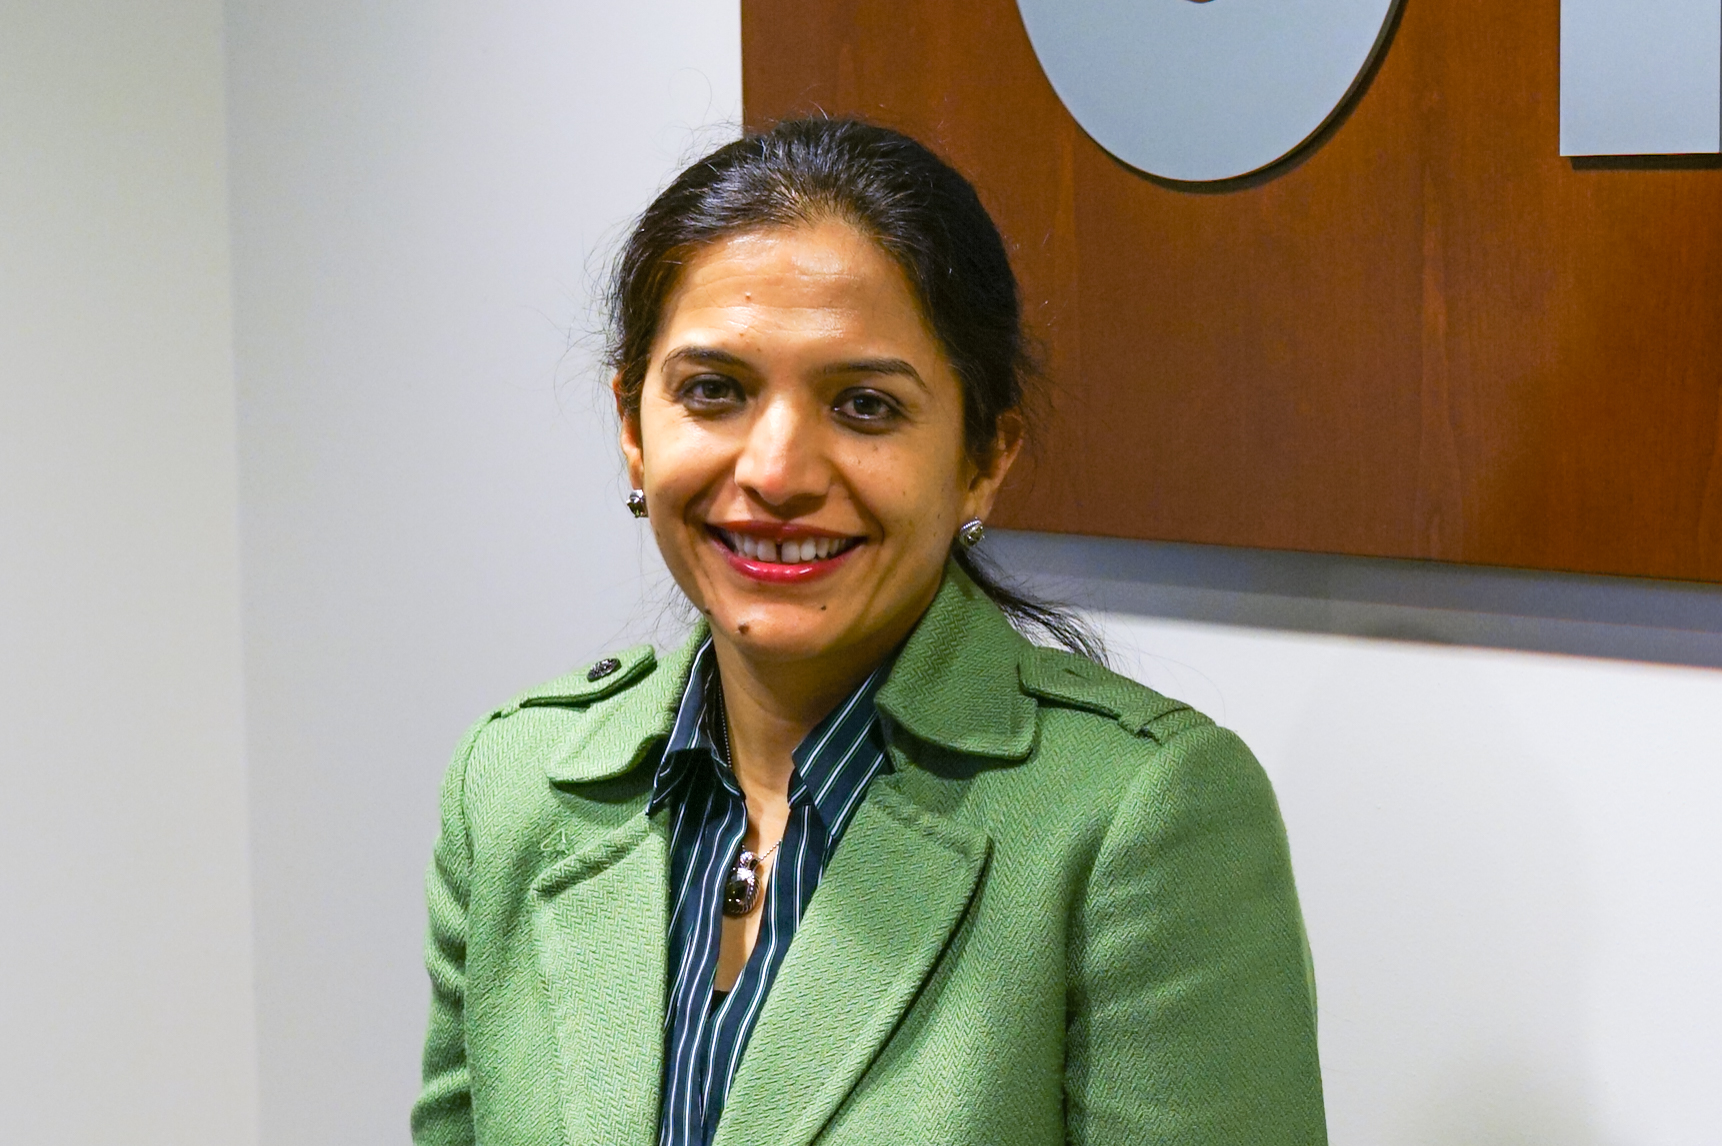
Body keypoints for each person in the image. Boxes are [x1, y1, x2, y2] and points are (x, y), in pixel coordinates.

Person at [411, 117, 1326, 1146]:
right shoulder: (514, 784)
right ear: (632, 427)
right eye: (714, 391)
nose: (777, 474)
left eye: (863, 406)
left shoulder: (1138, 821)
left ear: (984, 456)